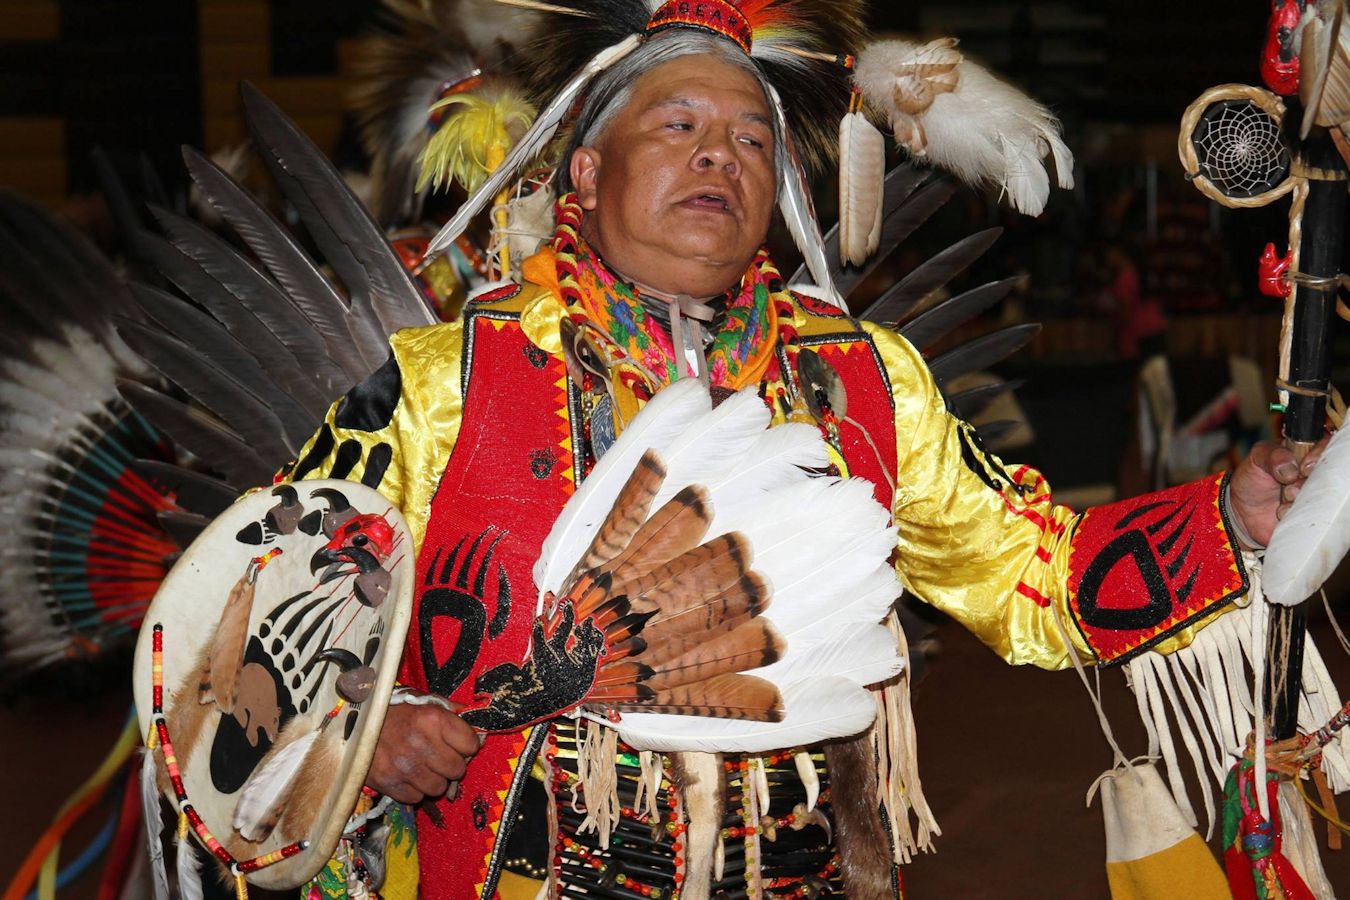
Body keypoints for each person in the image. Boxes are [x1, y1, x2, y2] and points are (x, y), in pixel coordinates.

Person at [284, 4, 1324, 898]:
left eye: (750, 139)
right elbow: (256, 633)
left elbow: (1028, 574)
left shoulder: (860, 381)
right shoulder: (443, 382)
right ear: (588, 171)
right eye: (679, 124)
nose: (717, 156)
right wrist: (363, 732)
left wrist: (1227, 519)